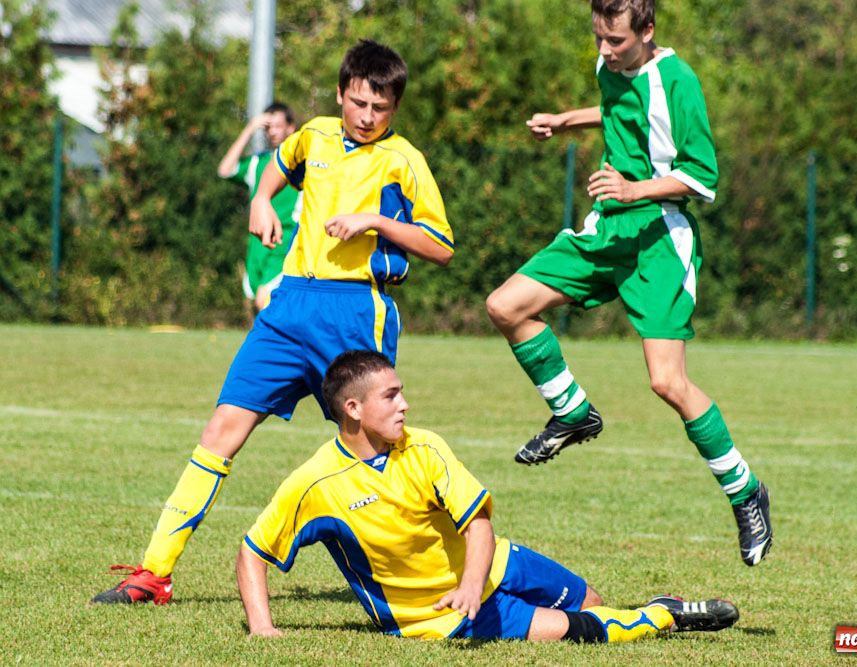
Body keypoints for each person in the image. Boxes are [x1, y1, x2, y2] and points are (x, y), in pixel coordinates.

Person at [92, 40, 455, 605]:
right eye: (357, 102)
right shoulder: (311, 135)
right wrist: (262, 201)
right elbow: (276, 174)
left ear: (395, 110)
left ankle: (435, 577)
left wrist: (375, 221)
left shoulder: (403, 160)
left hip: (357, 311)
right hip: (288, 309)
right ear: (340, 94)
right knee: (220, 431)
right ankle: (152, 574)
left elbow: (442, 247)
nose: (365, 116)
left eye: (379, 108)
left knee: (382, 457)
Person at [484, 0, 772, 567]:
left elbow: (702, 177)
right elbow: (619, 111)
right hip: (608, 230)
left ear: (647, 31)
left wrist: (633, 189)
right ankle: (572, 412)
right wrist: (565, 120)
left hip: (660, 239)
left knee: (667, 382)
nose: (604, 50)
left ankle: (745, 491)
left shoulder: (678, 79)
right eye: (598, 37)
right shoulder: (609, 66)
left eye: (615, 40)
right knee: (506, 305)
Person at [236, 350, 740, 641]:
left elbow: (478, 522)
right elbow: (253, 551)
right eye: (391, 396)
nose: (405, 404)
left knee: (592, 600)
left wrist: (474, 583)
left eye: (402, 391)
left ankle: (641, 606)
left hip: (488, 567)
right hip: (439, 616)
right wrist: (262, 628)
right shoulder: (315, 484)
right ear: (352, 408)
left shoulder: (424, 445)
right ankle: (668, 615)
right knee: (581, 630)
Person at [217, 102, 302, 313]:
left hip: (285, 240)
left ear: (290, 127)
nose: (272, 132)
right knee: (259, 301)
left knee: (265, 299)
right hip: (257, 244)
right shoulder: (258, 162)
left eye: (277, 126)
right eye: (267, 127)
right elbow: (225, 170)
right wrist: (250, 128)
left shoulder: (301, 163)